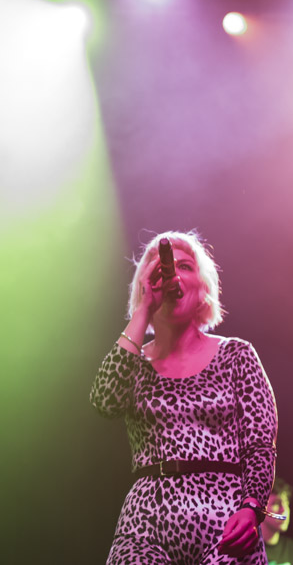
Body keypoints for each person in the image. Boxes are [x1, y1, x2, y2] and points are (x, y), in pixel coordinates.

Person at [90, 231, 278, 565]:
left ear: (204, 286)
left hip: (224, 521)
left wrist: (252, 507)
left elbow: (260, 444)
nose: (173, 275)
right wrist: (142, 312)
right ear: (146, 285)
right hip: (145, 524)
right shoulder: (133, 361)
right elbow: (105, 401)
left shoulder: (236, 354)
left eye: (186, 266)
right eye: (161, 268)